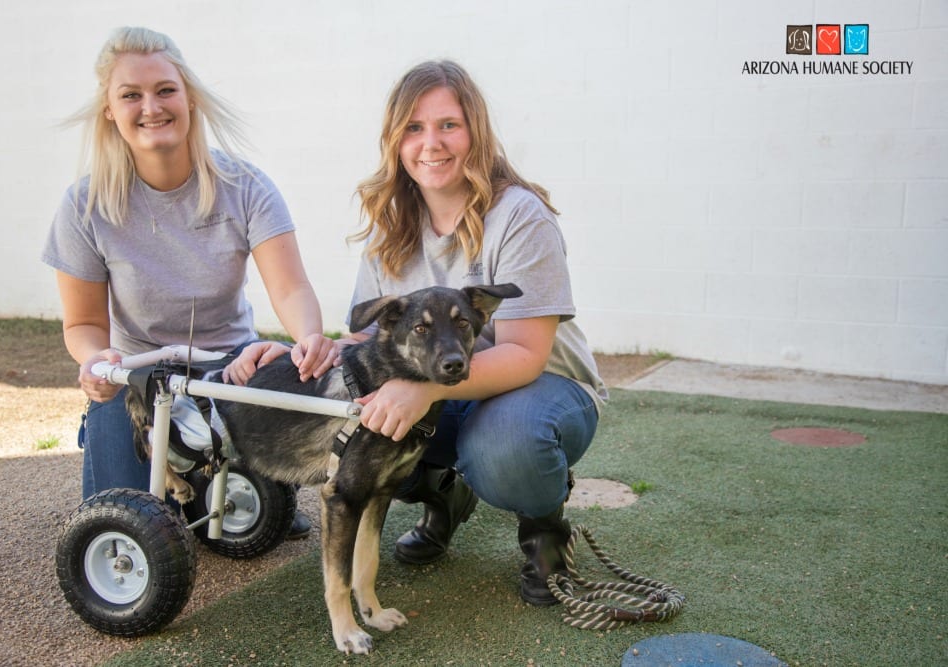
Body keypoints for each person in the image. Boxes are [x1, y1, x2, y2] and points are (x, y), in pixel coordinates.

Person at [231, 60, 607, 604]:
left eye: (448, 125)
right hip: (446, 385)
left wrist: (424, 390)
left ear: (474, 131)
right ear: (395, 141)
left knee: (503, 447)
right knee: (369, 422)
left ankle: (545, 533)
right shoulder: (392, 225)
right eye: (413, 127)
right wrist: (299, 355)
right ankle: (446, 496)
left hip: (541, 389)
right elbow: (371, 345)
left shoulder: (519, 216)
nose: (431, 143)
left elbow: (525, 354)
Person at [41, 27, 336, 539]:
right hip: (135, 376)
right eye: (130, 95)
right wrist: (97, 360)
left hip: (226, 370)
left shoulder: (245, 186)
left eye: (165, 90)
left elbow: (289, 288)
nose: (150, 106)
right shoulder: (83, 206)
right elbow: (85, 323)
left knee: (229, 523)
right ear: (110, 109)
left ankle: (249, 476)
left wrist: (308, 335)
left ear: (189, 97)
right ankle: (117, 439)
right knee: (125, 520)